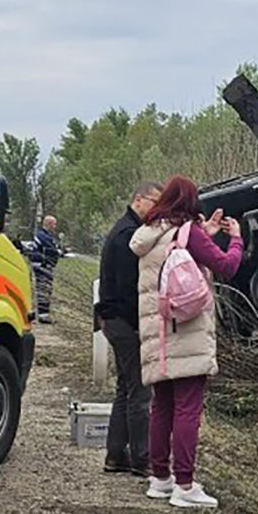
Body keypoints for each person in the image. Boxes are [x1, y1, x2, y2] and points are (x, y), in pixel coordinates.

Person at [130, 175, 245, 508]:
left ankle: (160, 479)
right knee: (188, 409)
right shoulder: (188, 233)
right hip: (186, 331)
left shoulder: (150, 235)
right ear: (190, 202)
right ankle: (185, 485)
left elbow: (178, 247)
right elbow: (226, 267)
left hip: (158, 334)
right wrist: (235, 239)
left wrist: (202, 234)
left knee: (161, 406)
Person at [92, 181, 161, 475]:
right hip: (124, 321)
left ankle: (116, 454)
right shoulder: (128, 237)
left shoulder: (124, 230)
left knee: (125, 389)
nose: (157, 210)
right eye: (154, 203)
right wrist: (140, 326)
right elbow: (129, 289)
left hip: (113, 320)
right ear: (139, 199)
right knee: (141, 392)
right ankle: (142, 458)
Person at [27, 215, 64, 323]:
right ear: (48, 224)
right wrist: (60, 252)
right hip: (43, 266)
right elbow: (52, 250)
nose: (55, 226)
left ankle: (41, 314)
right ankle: (43, 315)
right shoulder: (44, 236)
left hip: (42, 266)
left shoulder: (43, 235)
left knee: (43, 289)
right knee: (44, 289)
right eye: (54, 224)